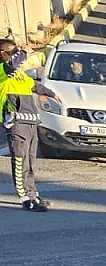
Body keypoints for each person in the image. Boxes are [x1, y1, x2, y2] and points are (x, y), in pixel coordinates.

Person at [0, 39, 61, 212]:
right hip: (16, 122)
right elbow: (12, 65)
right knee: (20, 161)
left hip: (31, 121)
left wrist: (52, 94)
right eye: (13, 52)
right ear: (3, 54)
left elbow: (34, 85)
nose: (17, 55)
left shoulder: (19, 74)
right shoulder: (3, 70)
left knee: (30, 161)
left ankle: (33, 194)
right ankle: (26, 198)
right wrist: (24, 52)